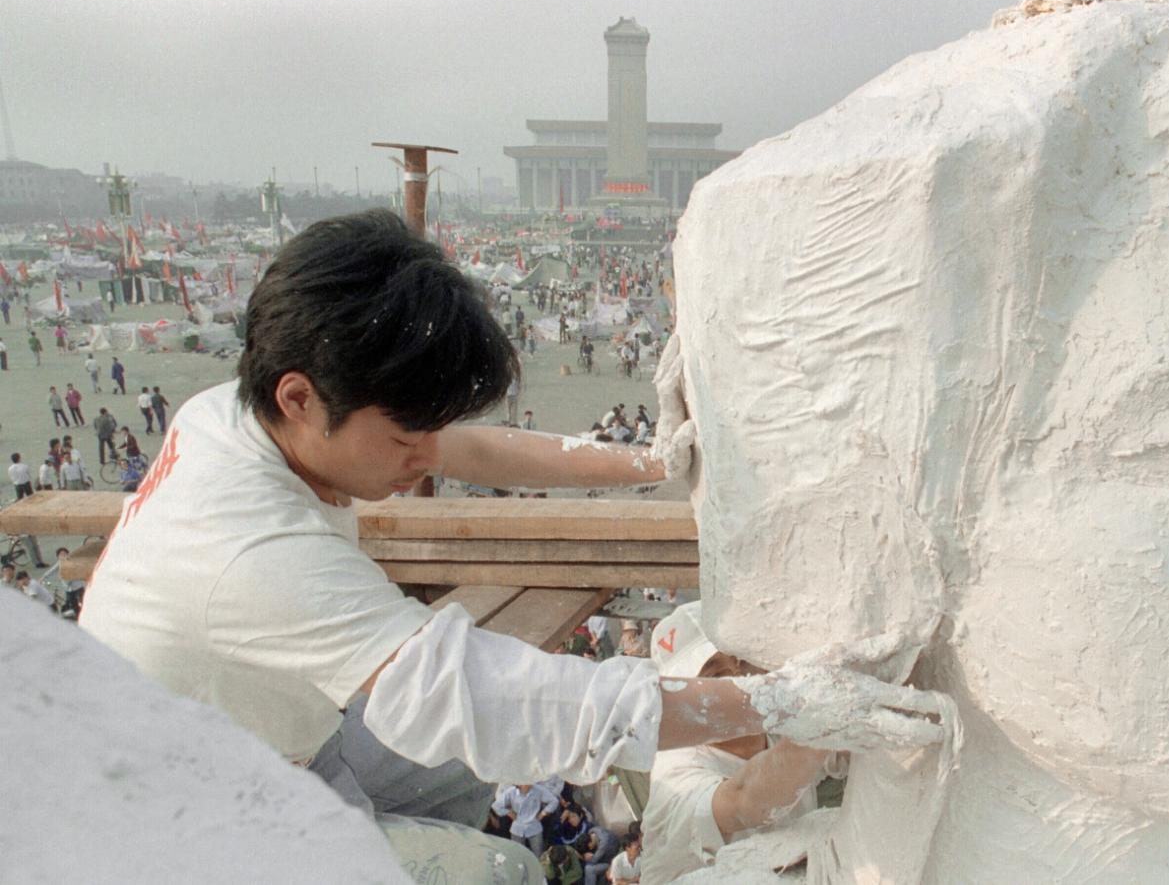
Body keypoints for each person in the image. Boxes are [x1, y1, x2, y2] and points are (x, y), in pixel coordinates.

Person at [77, 210, 940, 881]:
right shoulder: (253, 552)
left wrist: (651, 462)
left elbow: (475, 447)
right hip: (187, 811)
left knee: (463, 770)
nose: (427, 463)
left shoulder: (248, 407)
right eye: (408, 438)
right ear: (301, 397)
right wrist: (780, 704)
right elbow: (497, 699)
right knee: (500, 870)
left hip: (264, 722)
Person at [642, 603, 843, 882]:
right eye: (714, 676)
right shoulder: (674, 770)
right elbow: (742, 802)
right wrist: (821, 719)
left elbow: (843, 750)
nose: (739, 680)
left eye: (741, 660)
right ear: (682, 700)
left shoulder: (773, 724)